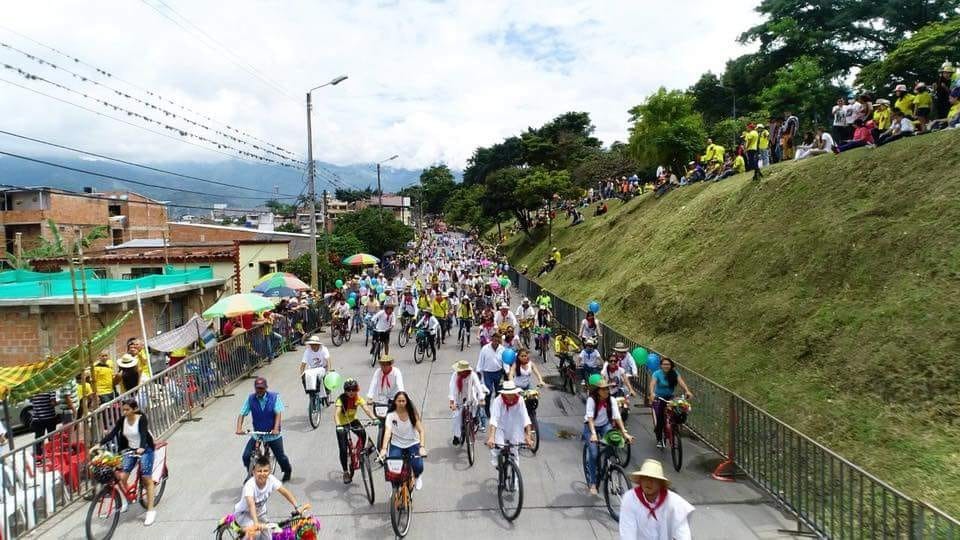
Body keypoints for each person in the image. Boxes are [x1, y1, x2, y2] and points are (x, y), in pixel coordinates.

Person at [97, 398, 158, 525]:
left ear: (134, 409)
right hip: (130, 450)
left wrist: (141, 448)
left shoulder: (141, 418)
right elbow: (112, 433)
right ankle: (125, 500)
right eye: (123, 410)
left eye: (127, 410)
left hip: (145, 449)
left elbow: (143, 434)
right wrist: (99, 444)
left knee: (147, 479)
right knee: (121, 477)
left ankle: (151, 511)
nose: (124, 412)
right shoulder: (122, 420)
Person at [233, 456, 309, 540]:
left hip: (260, 514)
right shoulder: (250, 486)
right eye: (259, 471)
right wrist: (256, 523)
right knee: (255, 534)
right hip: (244, 514)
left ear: (269, 472)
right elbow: (251, 505)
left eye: (265, 471)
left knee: (269, 537)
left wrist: (297, 506)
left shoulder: (271, 480)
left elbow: (284, 492)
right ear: (254, 472)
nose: (262, 474)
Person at [619, 459, 694, 540]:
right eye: (645, 478)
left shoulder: (674, 502)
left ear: (660, 483)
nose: (648, 482)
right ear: (640, 480)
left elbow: (683, 533)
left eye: (653, 479)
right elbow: (627, 532)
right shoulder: (630, 499)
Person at [236, 377, 292, 482]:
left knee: (280, 456)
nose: (259, 391)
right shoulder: (251, 399)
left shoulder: (274, 397)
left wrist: (275, 429)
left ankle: (287, 470)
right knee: (246, 456)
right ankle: (252, 475)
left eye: (262, 388)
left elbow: (278, 413)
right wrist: (239, 428)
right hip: (258, 433)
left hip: (272, 434)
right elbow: (242, 414)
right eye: (257, 388)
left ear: (266, 388)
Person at [583, 380, 633, 495]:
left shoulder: (611, 400)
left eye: (607, 389)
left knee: (613, 443)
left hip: (605, 425)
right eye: (604, 389)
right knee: (594, 454)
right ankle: (593, 482)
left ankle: (607, 465)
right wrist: (594, 433)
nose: (606, 391)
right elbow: (590, 417)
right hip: (591, 427)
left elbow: (616, 416)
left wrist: (624, 433)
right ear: (598, 391)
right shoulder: (591, 400)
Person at [378, 391, 428, 491]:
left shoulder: (412, 414)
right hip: (396, 444)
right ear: (395, 402)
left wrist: (422, 447)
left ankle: (417, 477)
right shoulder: (391, 415)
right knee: (393, 468)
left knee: (418, 466)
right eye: (399, 401)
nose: (401, 403)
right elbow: (388, 432)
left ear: (407, 402)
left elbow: (421, 430)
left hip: (412, 443)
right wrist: (383, 449)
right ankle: (395, 490)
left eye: (403, 401)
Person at [335, 378, 377, 483]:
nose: (351, 392)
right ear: (345, 391)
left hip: (353, 421)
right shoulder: (340, 399)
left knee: (363, 433)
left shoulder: (358, 398)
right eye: (348, 390)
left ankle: (360, 452)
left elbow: (366, 409)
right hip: (342, 425)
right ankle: (345, 472)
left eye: (353, 390)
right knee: (343, 449)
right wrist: (338, 426)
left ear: (356, 390)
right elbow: (336, 414)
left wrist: (374, 419)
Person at [485, 381, 534, 471]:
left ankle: (515, 484)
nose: (510, 396)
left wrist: (528, 436)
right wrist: (491, 437)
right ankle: (498, 463)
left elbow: (525, 418)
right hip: (500, 428)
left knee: (514, 454)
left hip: (514, 428)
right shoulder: (498, 401)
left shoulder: (520, 400)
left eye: (512, 393)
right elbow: (494, 420)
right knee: (498, 448)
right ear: (504, 394)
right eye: (508, 394)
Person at [649, 357, 694, 448]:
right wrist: (652, 393)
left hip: (670, 397)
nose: (666, 366)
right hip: (660, 398)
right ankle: (659, 439)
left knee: (679, 410)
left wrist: (687, 391)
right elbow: (652, 384)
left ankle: (674, 427)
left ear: (671, 365)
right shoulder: (657, 374)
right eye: (664, 364)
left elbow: (681, 382)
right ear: (661, 365)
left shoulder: (674, 373)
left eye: (668, 364)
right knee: (660, 419)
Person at [448, 360, 488, 445]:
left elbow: (478, 386)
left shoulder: (472, 375)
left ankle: (474, 418)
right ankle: (457, 435)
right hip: (459, 398)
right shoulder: (455, 375)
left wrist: (481, 398)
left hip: (470, 397)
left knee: (475, 408)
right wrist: (452, 402)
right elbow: (452, 388)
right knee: (456, 416)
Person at [475, 332, 505, 423]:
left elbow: (505, 362)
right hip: (487, 373)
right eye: (494, 340)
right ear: (492, 339)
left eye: (498, 340)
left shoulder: (502, 349)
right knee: (488, 392)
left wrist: (507, 372)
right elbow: (480, 361)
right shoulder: (485, 349)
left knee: (499, 392)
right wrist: (478, 372)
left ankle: (497, 410)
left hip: (499, 373)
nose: (496, 342)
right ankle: (487, 410)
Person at [29, 390, 62, 462]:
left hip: (37, 418)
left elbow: (31, 401)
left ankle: (38, 457)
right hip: (49, 417)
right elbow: (53, 403)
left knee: (39, 438)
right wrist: (60, 401)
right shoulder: (50, 389)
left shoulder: (32, 390)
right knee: (52, 437)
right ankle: (54, 456)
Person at [299, 335, 332, 404]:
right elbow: (303, 365)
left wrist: (329, 371)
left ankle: (327, 392)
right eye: (311, 345)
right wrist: (302, 375)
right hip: (312, 370)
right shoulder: (307, 351)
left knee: (325, 379)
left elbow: (328, 360)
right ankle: (312, 395)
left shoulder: (323, 349)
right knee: (307, 378)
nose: (312, 346)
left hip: (323, 367)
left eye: (314, 345)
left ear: (318, 345)